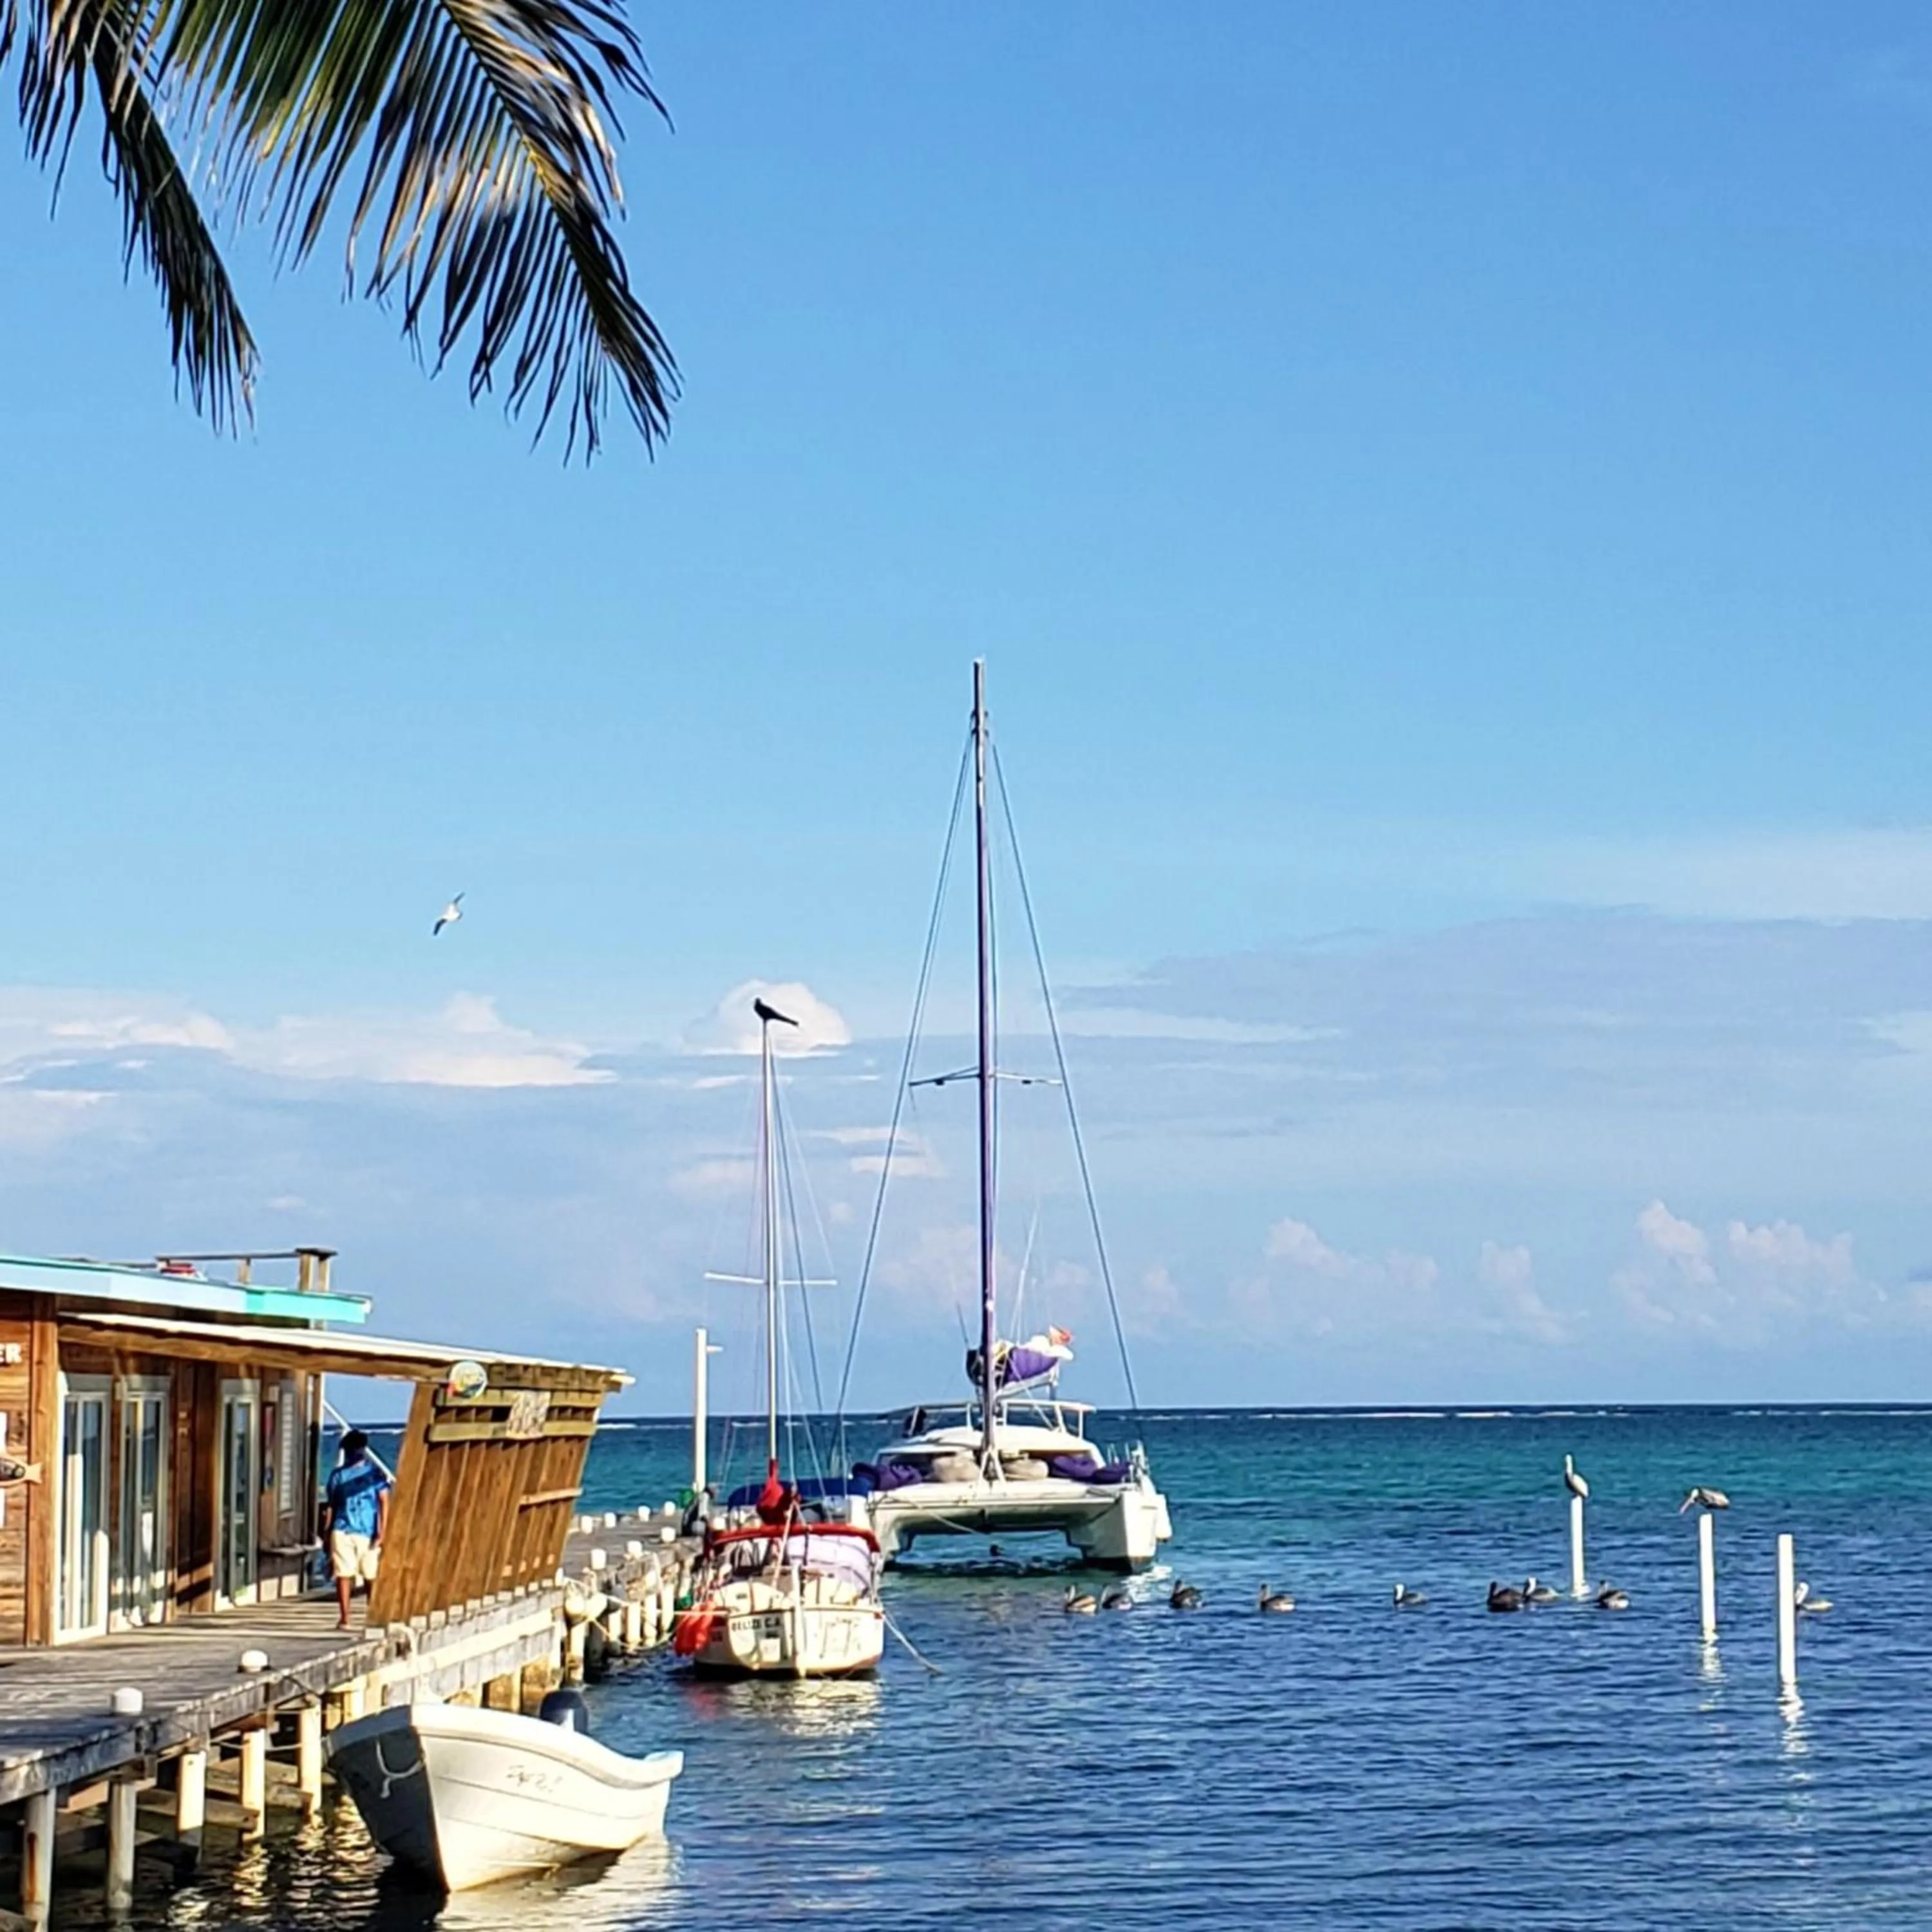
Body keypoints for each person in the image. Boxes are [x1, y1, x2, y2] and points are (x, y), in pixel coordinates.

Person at [320, 1430, 392, 1629]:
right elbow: (332, 1505)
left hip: (367, 1530)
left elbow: (384, 1502)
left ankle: (373, 1613)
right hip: (342, 1528)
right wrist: (327, 1533)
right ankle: (345, 1617)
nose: (353, 1453)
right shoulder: (338, 1475)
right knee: (343, 1573)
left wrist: (382, 1531)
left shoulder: (374, 1474)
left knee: (371, 1574)